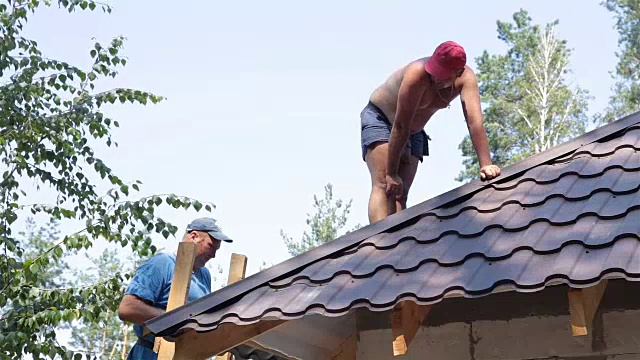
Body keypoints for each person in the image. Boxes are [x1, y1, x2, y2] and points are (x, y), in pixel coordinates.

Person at [360, 40, 501, 223]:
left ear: (459, 72)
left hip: (414, 130)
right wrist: (392, 173)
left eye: (442, 75)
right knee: (384, 184)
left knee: (400, 194)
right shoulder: (417, 73)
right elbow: (400, 125)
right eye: (434, 71)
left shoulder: (467, 79)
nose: (435, 77)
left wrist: (486, 164)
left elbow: (474, 122)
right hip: (383, 119)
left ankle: (396, 246)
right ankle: (377, 246)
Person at [118, 217, 233, 359]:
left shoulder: (204, 275)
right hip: (153, 353)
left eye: (217, 250)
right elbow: (127, 308)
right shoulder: (162, 264)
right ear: (194, 236)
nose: (214, 255)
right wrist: (175, 321)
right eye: (211, 246)